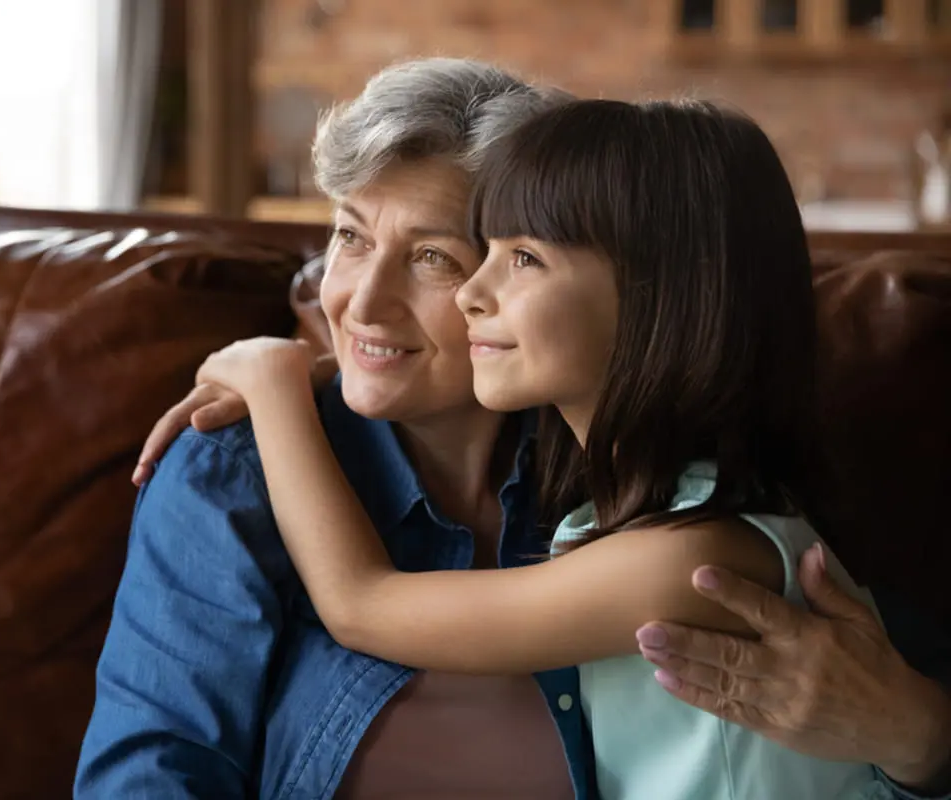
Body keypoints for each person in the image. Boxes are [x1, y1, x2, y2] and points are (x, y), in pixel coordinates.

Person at [78, 59, 951, 799]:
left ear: (644, 301)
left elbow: (362, 604)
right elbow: (150, 771)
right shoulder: (234, 472)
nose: (363, 303)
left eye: (436, 256)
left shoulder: (652, 510)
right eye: (349, 236)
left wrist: (920, 731)